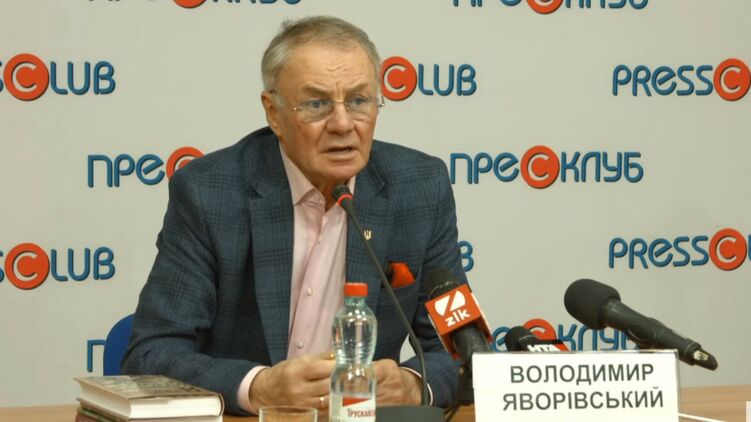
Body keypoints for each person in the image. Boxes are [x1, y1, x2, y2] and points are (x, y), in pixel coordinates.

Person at [121, 15, 467, 415]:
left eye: (358, 101)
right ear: (274, 112)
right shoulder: (209, 193)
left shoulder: (420, 188)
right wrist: (259, 387)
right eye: (317, 104)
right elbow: (152, 352)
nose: (342, 124)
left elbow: (464, 347)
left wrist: (413, 384)